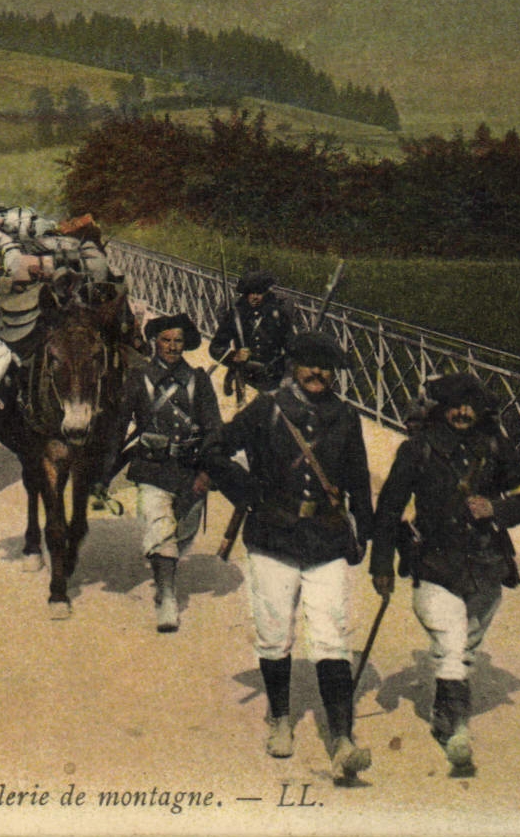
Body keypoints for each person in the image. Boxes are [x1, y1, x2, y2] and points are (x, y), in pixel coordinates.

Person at [207, 331, 374, 782]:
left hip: (327, 539)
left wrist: (366, 534)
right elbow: (215, 449)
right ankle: (280, 718)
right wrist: (245, 490)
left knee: (332, 634)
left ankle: (341, 738)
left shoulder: (346, 416)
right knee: (275, 631)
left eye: (326, 365)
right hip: (272, 536)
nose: (317, 373)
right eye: (309, 364)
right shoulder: (267, 407)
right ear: (293, 366)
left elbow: (358, 476)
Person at [369, 372, 520, 776]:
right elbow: (389, 509)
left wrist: (497, 510)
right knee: (452, 644)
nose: (463, 412)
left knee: (465, 649)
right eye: (455, 405)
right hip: (434, 563)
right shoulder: (418, 450)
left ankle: (444, 716)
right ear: (441, 407)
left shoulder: (496, 446)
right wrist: (381, 565)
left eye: (471, 405)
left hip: (485, 565)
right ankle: (458, 732)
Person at [98, 313, 221, 633]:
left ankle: (166, 569)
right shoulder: (138, 379)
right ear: (155, 342)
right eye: (166, 340)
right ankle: (166, 597)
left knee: (182, 534)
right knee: (160, 527)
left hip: (190, 470)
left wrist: (208, 469)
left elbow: (214, 430)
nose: (172, 346)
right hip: (152, 468)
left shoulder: (198, 381)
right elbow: (118, 429)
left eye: (178, 341)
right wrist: (104, 474)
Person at [208, 269, 295, 403]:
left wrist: (287, 375)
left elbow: (291, 347)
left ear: (266, 293)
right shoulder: (236, 315)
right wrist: (233, 357)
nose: (255, 297)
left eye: (259, 292)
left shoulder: (277, 315)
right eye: (251, 293)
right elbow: (216, 347)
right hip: (245, 377)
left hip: (271, 377)